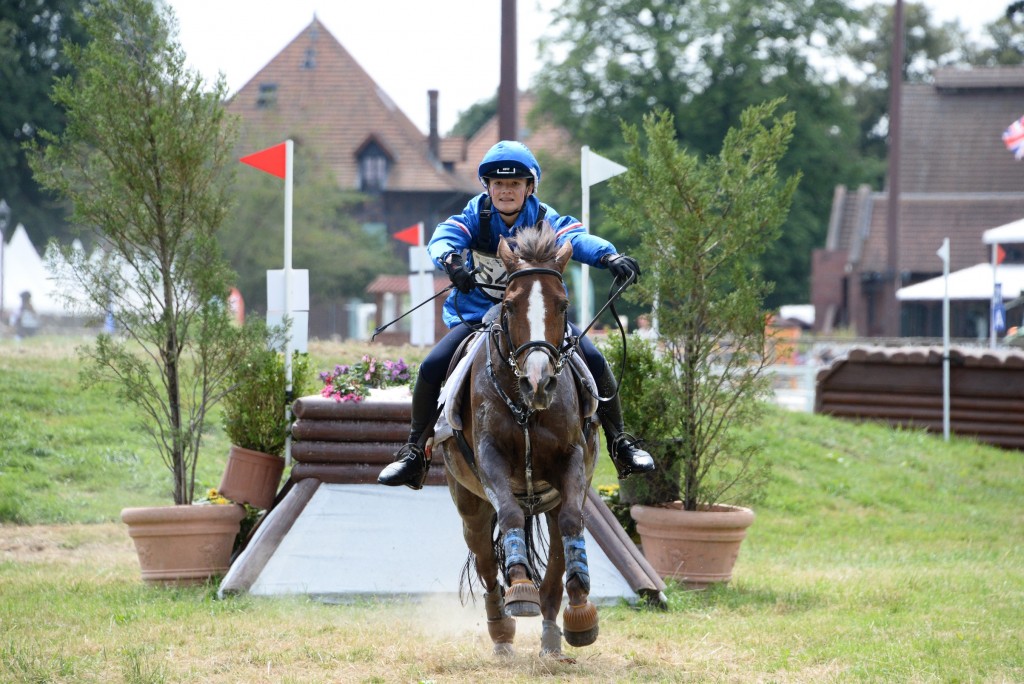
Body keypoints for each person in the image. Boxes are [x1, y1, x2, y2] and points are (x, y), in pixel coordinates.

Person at [378, 140, 656, 490]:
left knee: (595, 359)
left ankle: (620, 444)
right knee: (433, 365)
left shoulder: (544, 219)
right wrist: (452, 262)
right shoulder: (474, 217)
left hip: (536, 321)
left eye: (514, 184)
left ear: (529, 188)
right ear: (487, 187)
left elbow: (576, 237)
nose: (505, 191)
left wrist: (608, 257)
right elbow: (443, 237)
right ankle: (414, 452)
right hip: (479, 318)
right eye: (498, 184)